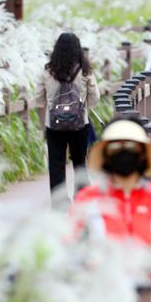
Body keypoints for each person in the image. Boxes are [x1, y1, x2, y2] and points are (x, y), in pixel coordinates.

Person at [72, 118, 151, 247]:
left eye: (131, 145)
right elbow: (66, 245)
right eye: (115, 146)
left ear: (143, 153)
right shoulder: (88, 198)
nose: (124, 151)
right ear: (105, 155)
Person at [35, 33, 100, 200]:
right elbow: (95, 96)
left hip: (54, 125)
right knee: (80, 163)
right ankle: (83, 199)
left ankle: (59, 204)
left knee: (56, 165)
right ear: (77, 49)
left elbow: (38, 99)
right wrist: (84, 109)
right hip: (80, 124)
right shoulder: (84, 71)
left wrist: (49, 108)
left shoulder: (48, 71)